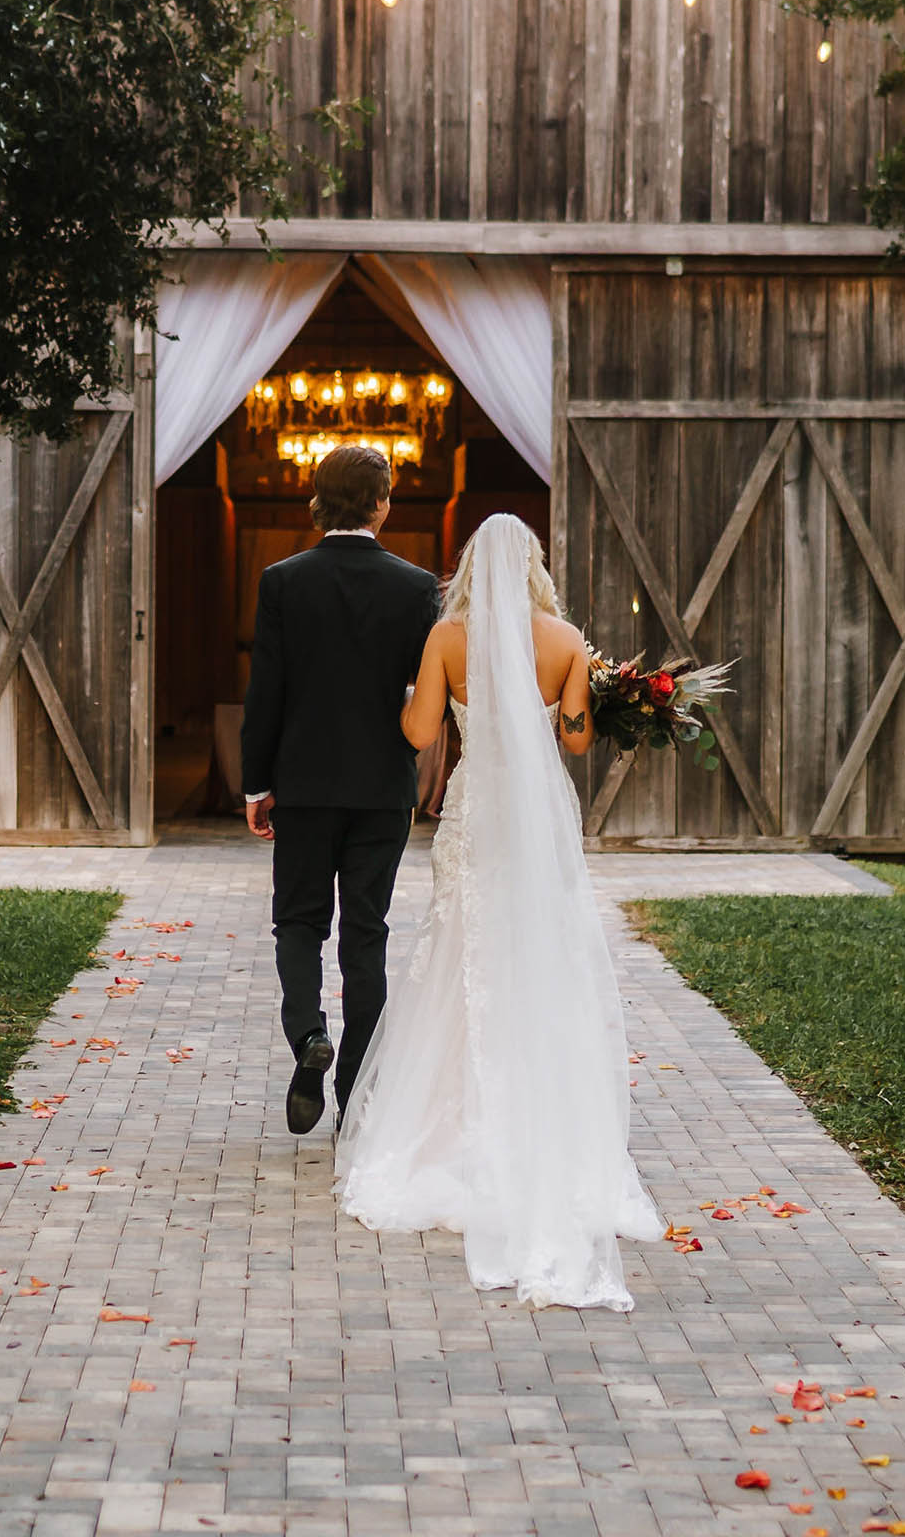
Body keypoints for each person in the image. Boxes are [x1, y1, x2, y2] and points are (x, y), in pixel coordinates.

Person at [334, 512, 665, 1311]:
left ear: (470, 568)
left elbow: (417, 731)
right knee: (531, 951)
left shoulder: (449, 639)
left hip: (475, 810)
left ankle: (447, 1129)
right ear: (532, 567)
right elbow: (578, 742)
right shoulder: (563, 641)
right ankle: (536, 1117)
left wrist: (424, 694)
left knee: (460, 948)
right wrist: (590, 696)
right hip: (537, 814)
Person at [242, 443, 440, 1135]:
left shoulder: (282, 581)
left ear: (318, 501)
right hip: (383, 787)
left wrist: (256, 785)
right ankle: (354, 1087)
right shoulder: (417, 588)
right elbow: (424, 697)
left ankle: (307, 1038)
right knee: (366, 934)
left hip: (301, 783)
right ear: (382, 503)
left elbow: (265, 692)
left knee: (297, 923)